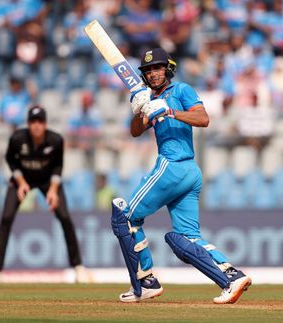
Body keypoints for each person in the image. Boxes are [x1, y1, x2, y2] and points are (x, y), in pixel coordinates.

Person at [111, 48, 251, 304]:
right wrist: (139, 109)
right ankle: (231, 277)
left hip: (174, 165)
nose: (153, 74)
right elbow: (135, 132)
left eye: (157, 68)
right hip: (188, 172)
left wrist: (168, 111)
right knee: (187, 237)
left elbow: (203, 118)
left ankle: (145, 283)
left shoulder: (181, 90)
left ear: (168, 69)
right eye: (148, 70)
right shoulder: (148, 97)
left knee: (125, 218)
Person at [0, 105, 88, 284]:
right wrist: (21, 183)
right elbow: (10, 160)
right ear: (28, 124)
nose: (36, 125)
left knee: (65, 217)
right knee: (6, 218)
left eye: (40, 122)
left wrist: (53, 190)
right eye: (33, 122)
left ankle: (78, 268)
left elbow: (58, 166)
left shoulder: (56, 140)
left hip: (48, 181)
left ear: (45, 124)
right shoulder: (17, 138)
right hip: (23, 179)